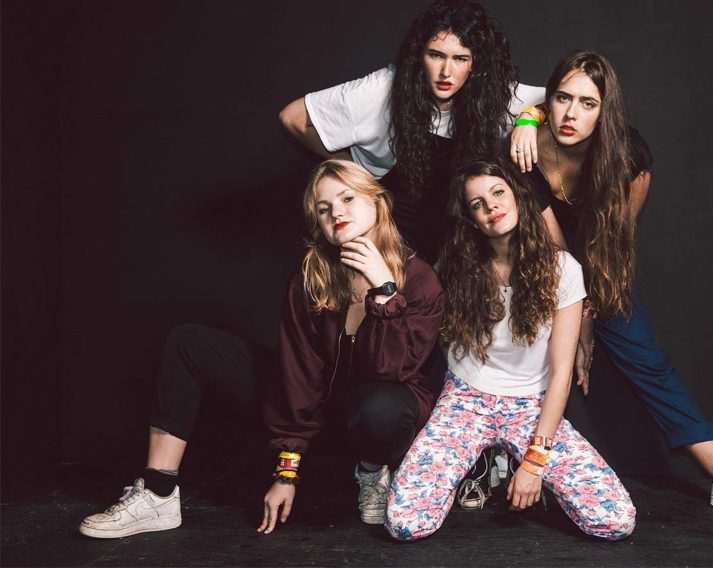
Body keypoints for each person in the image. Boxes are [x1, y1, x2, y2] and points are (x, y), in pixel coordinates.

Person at [79, 160, 443, 538]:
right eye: (324, 208)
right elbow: (298, 374)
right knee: (189, 343)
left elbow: (391, 370)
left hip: (376, 419)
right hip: (320, 411)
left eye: (347, 198)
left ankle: (372, 470)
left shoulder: (420, 281)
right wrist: (287, 471)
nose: (336, 212)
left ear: (378, 203)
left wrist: (385, 292)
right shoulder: (312, 277)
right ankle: (158, 494)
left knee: (381, 406)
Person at [516, 49, 713, 521]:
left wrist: (588, 319)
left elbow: (610, 247)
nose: (571, 114)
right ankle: (495, 462)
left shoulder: (629, 156)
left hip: (603, 267)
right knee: (516, 357)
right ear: (549, 99)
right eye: (562, 99)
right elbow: (556, 251)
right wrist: (526, 118)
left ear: (604, 111)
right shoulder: (525, 151)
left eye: (587, 103)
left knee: (650, 366)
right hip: (543, 271)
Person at [385, 159, 636, 540]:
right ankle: (480, 459)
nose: (492, 207)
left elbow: (561, 374)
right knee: (405, 524)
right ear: (471, 219)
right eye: (478, 204)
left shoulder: (563, 269)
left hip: (530, 404)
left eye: (498, 193)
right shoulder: (454, 267)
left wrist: (534, 462)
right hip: (466, 397)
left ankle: (506, 456)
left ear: (517, 196)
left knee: (615, 521)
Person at [279, 0, 543, 263]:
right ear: (419, 55)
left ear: (476, 64)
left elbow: (559, 99)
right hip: (391, 236)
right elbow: (293, 118)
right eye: (436, 55)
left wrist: (529, 118)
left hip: (461, 240)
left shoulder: (493, 95)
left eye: (460, 58)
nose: (446, 72)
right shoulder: (383, 91)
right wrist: (355, 171)